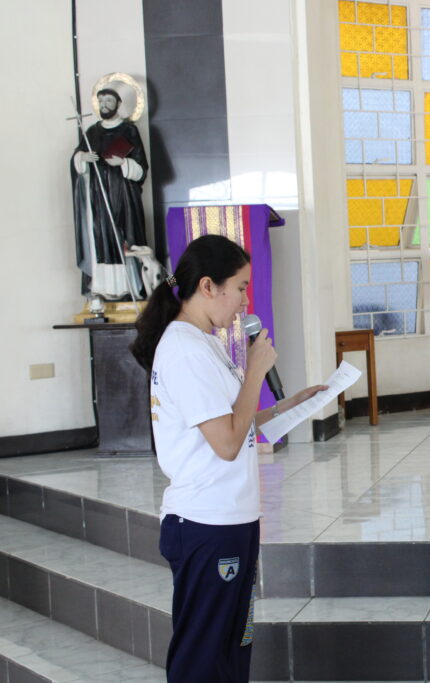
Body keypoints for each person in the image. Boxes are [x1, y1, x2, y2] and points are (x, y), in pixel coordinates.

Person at [130, 234, 326, 682]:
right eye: (239, 287)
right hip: (206, 523)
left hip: (230, 518)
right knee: (203, 655)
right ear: (207, 286)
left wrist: (290, 405)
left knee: (234, 645)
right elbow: (226, 443)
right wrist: (255, 368)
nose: (245, 301)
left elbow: (232, 422)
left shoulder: (203, 343)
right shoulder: (184, 349)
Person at [72, 87, 149, 298]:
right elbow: (77, 162)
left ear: (118, 103)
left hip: (123, 196)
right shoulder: (92, 132)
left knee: (124, 237)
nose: (104, 105)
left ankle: (129, 287)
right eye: (101, 101)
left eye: (109, 101)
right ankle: (103, 288)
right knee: (101, 238)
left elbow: (142, 167)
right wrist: (82, 158)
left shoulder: (129, 130)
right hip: (98, 197)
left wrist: (123, 163)